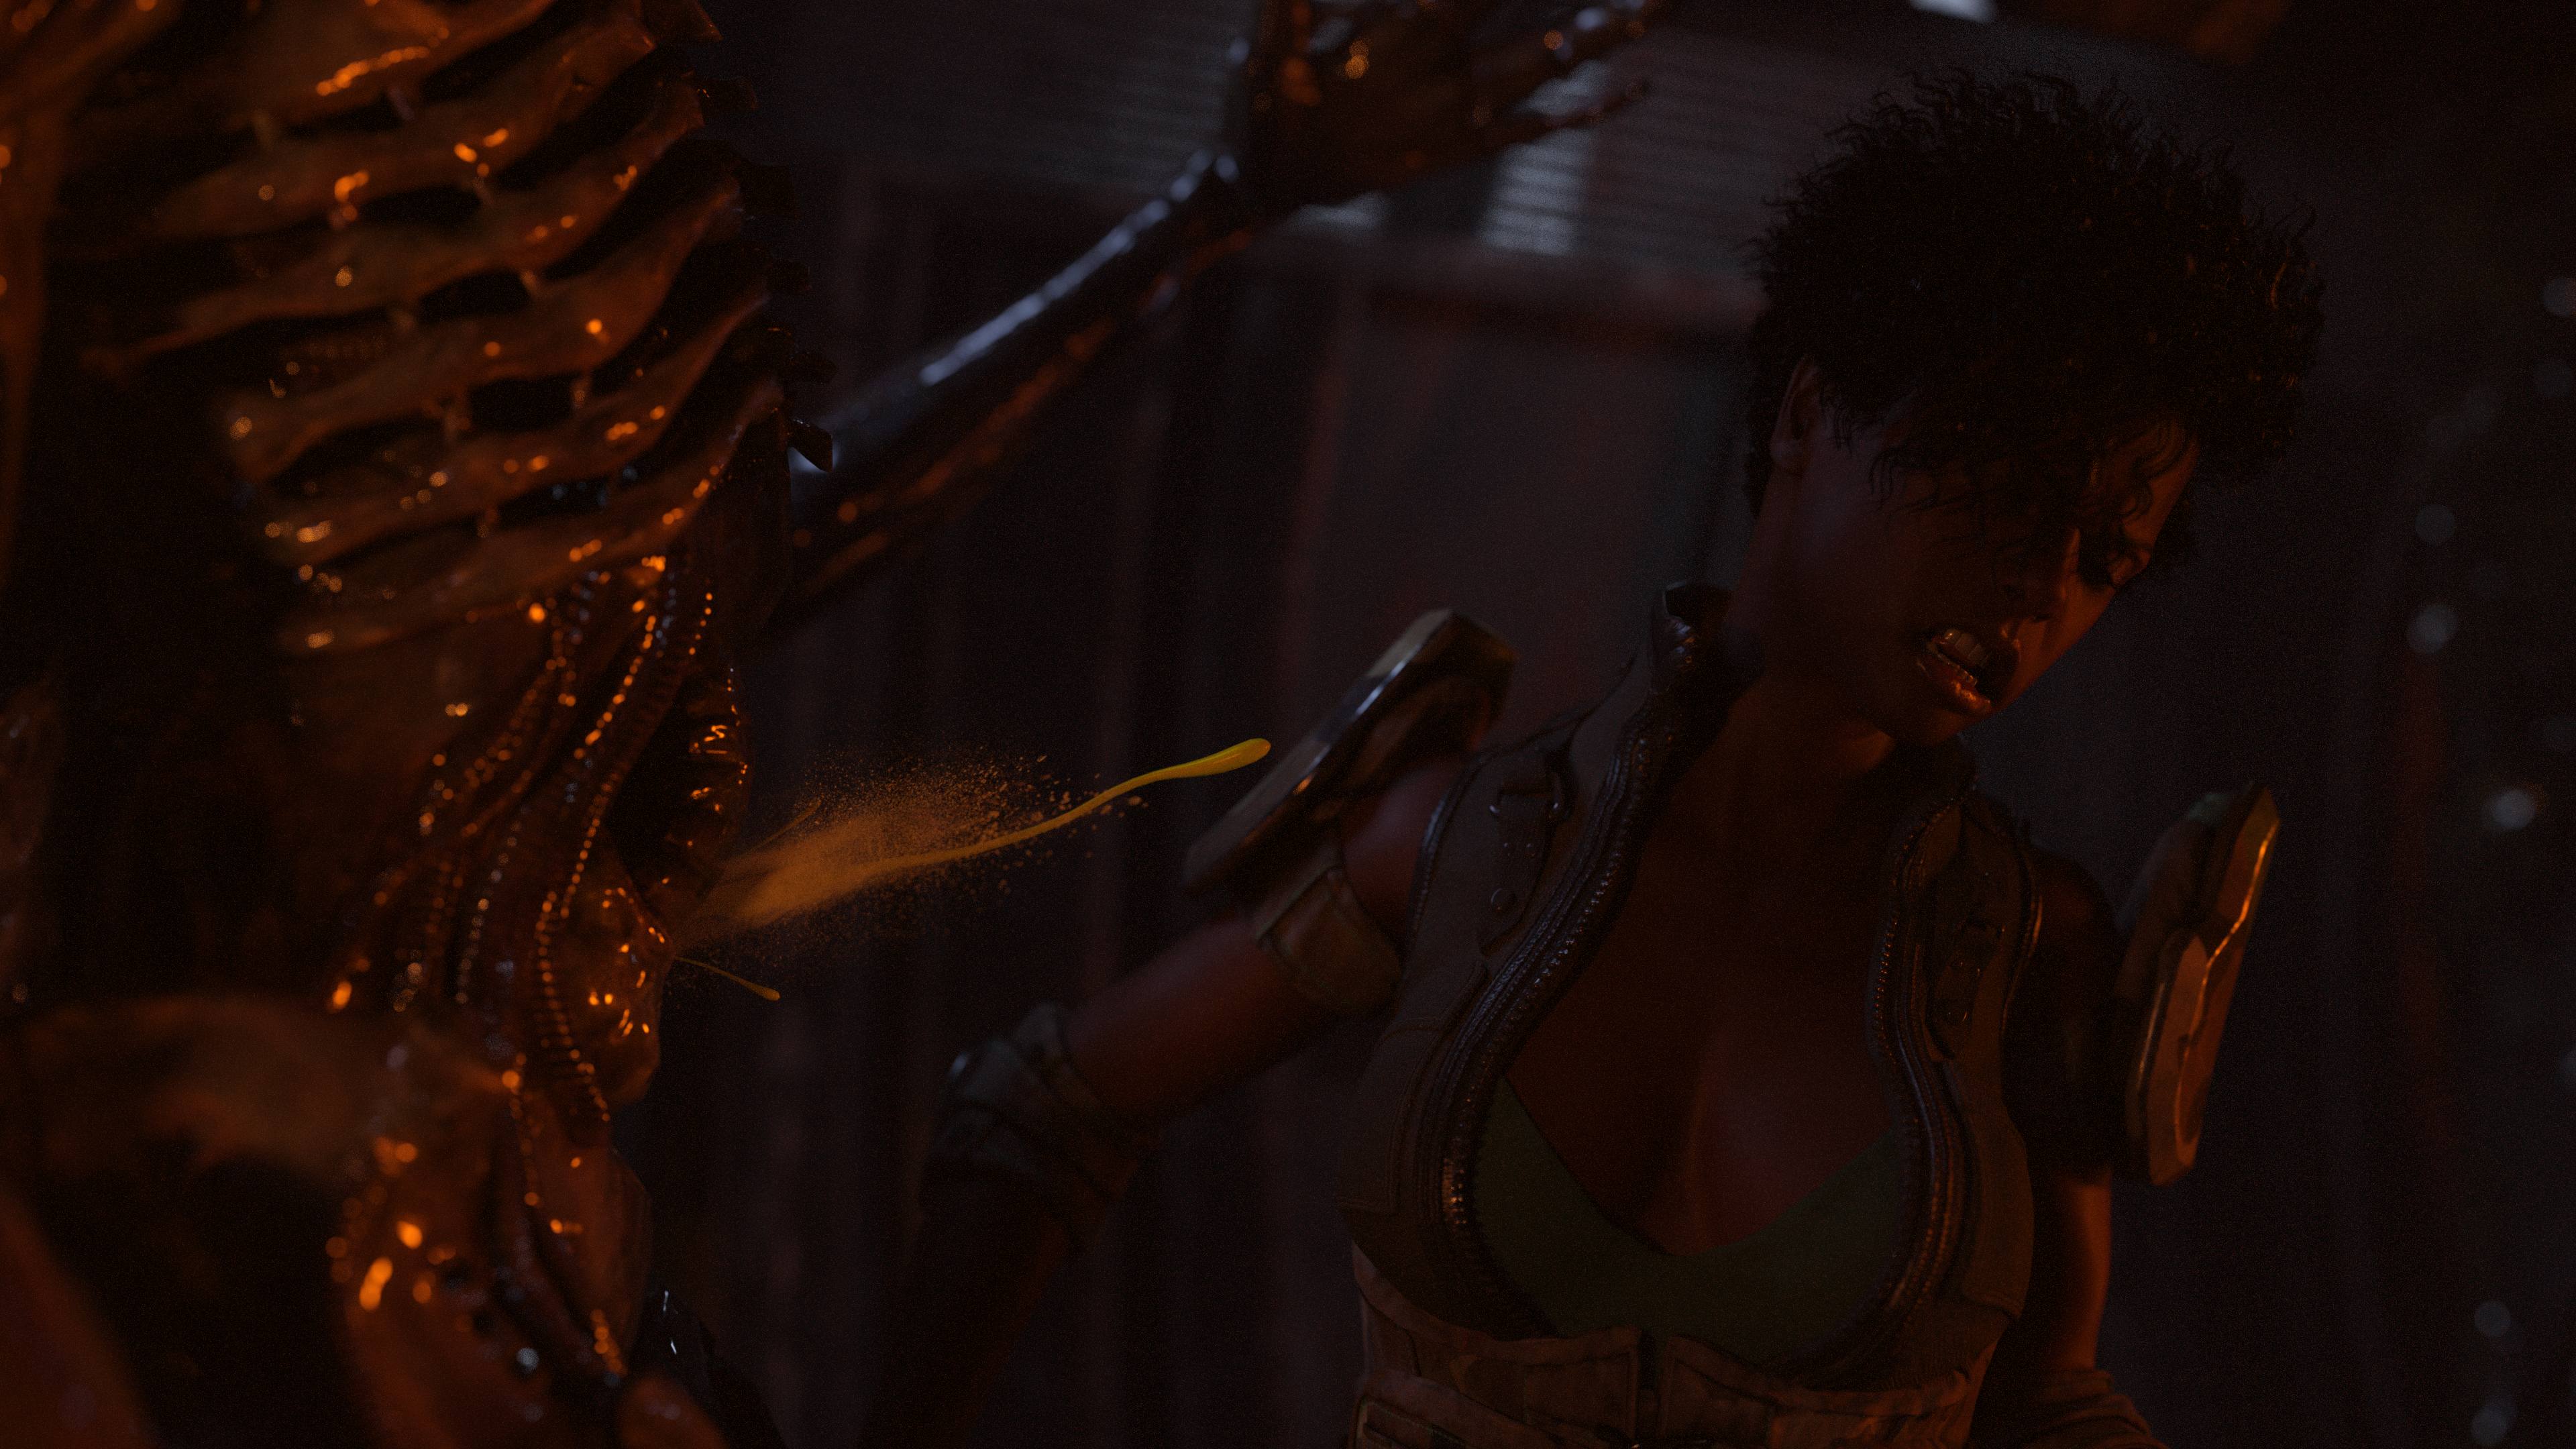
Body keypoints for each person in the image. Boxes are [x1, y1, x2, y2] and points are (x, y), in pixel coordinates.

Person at [871, 72, 2322, 1448]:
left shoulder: (2025, 957)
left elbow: (2052, 1406)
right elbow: (1050, 1106)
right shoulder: (1460, 847)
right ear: (1810, 411)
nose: (2038, 588)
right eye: (2003, 485)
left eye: (2104, 557)